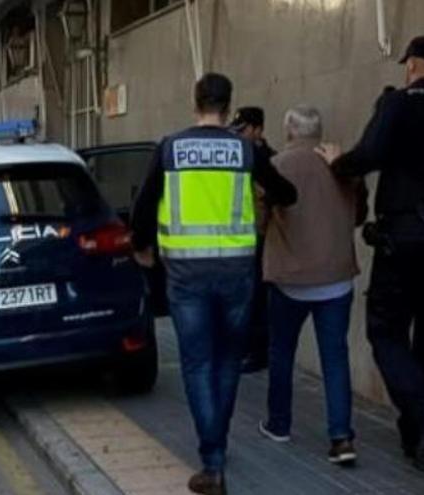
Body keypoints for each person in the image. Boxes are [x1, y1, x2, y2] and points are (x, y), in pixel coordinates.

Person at [317, 36, 424, 474]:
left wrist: (337, 161)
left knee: (386, 331)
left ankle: (420, 409)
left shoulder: (399, 103)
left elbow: (369, 155)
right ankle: (417, 441)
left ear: (411, 64)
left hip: (406, 237)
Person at [131, 73, 297, 495]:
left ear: (195, 103)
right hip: (238, 273)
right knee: (226, 362)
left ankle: (213, 459)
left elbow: (144, 203)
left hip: (186, 275)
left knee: (198, 364)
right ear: (228, 106)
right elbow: (286, 192)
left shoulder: (169, 147)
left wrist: (142, 247)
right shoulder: (246, 149)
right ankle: (215, 449)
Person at [256, 105, 366, 465]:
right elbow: (361, 214)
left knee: (281, 352)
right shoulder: (342, 163)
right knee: (335, 358)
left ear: (289, 130)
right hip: (336, 278)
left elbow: (258, 220)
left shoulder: (276, 166)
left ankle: (279, 423)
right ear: (319, 131)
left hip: (290, 278)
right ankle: (340, 438)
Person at [229, 107, 276, 373]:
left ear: (258, 130)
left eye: (244, 130)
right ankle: (248, 348)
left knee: (258, 299)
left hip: (263, 237)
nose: (241, 135)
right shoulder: (239, 158)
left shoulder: (268, 160)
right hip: (240, 238)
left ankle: (258, 352)